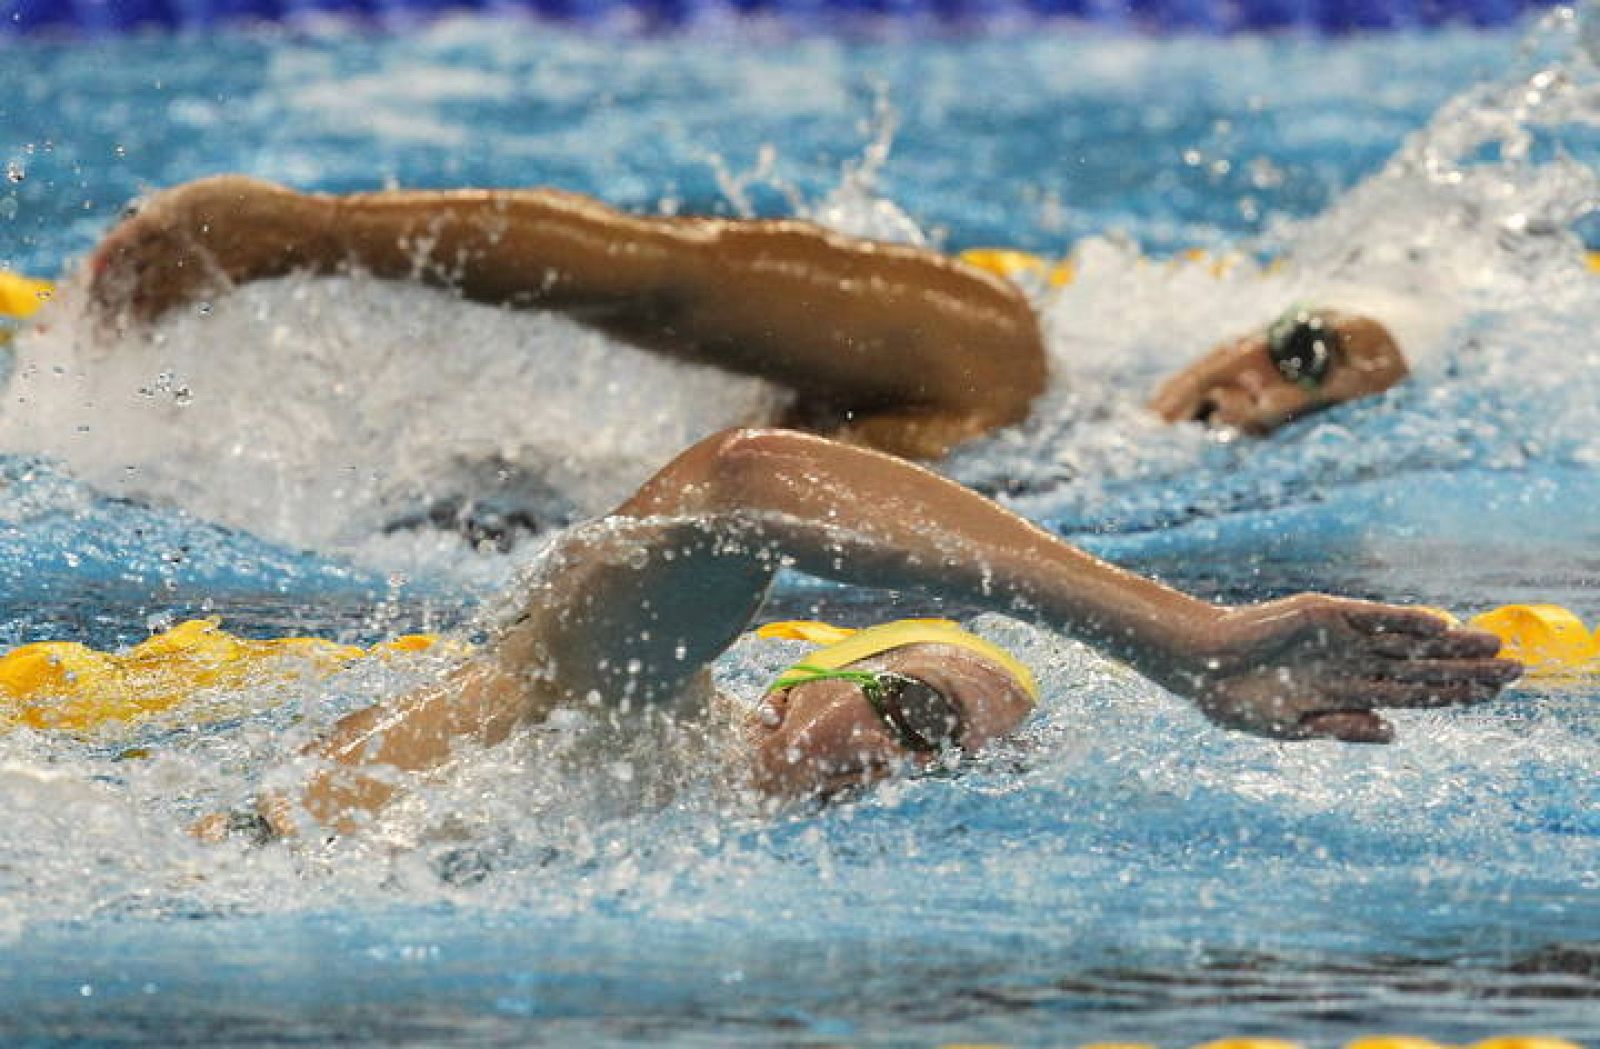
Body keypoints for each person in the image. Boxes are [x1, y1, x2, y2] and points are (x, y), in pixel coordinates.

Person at [192, 427, 1518, 840]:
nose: (887, 770)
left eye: (935, 764)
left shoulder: (682, 828)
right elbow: (746, 480)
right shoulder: (617, 697)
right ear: (800, 683)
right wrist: (1178, 638)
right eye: (914, 719)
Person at [85, 175, 1414, 460]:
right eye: (1295, 349)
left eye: (1315, 402)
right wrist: (309, 240)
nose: (1266, 391)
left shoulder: (1081, 479)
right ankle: (294, 227)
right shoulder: (1005, 353)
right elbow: (664, 279)